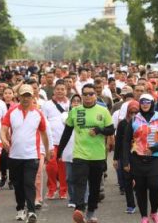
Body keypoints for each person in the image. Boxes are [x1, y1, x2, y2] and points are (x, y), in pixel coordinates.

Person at [58, 83, 114, 223]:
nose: (88, 96)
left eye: (91, 94)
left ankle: (91, 213)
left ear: (95, 96)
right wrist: (60, 151)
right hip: (80, 154)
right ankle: (79, 209)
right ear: (81, 96)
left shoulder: (103, 110)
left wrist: (99, 130)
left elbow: (111, 130)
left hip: (98, 155)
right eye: (85, 94)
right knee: (79, 182)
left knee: (95, 187)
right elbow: (67, 132)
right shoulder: (75, 111)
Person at [0, 84, 50, 223]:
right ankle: (20, 209)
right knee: (18, 184)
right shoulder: (12, 112)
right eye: (23, 95)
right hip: (15, 155)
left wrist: (47, 151)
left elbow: (44, 135)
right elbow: (3, 129)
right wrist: (4, 139)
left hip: (31, 155)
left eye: (29, 95)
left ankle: (32, 212)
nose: (26, 98)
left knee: (29, 183)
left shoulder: (38, 114)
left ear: (33, 96)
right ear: (19, 97)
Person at [122, 94, 158, 223]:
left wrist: (154, 148)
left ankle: (154, 212)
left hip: (155, 158)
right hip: (137, 158)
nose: (144, 104)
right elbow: (126, 141)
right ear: (139, 103)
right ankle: (144, 216)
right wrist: (125, 161)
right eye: (142, 102)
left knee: (154, 186)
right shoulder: (134, 119)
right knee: (140, 187)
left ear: (152, 103)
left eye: (147, 102)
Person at [41, 80, 69, 200]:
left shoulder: (71, 104)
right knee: (51, 166)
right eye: (58, 89)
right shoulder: (47, 105)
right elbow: (42, 123)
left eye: (62, 89)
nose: (60, 91)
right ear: (54, 90)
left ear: (66, 90)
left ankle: (63, 189)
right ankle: (52, 188)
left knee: (63, 168)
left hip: (66, 142)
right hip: (51, 142)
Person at [114, 100, 139, 214]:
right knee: (127, 180)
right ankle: (130, 205)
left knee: (140, 181)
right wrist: (115, 158)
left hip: (140, 155)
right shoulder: (123, 124)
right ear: (128, 112)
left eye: (136, 112)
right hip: (126, 155)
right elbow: (118, 141)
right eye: (131, 112)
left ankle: (141, 202)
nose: (133, 114)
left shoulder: (143, 123)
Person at [61, 94, 82, 208]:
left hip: (82, 151)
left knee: (82, 177)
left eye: (78, 101)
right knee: (70, 178)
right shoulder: (65, 115)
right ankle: (72, 198)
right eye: (74, 101)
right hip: (68, 151)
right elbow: (67, 121)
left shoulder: (85, 116)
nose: (76, 103)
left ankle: (82, 198)